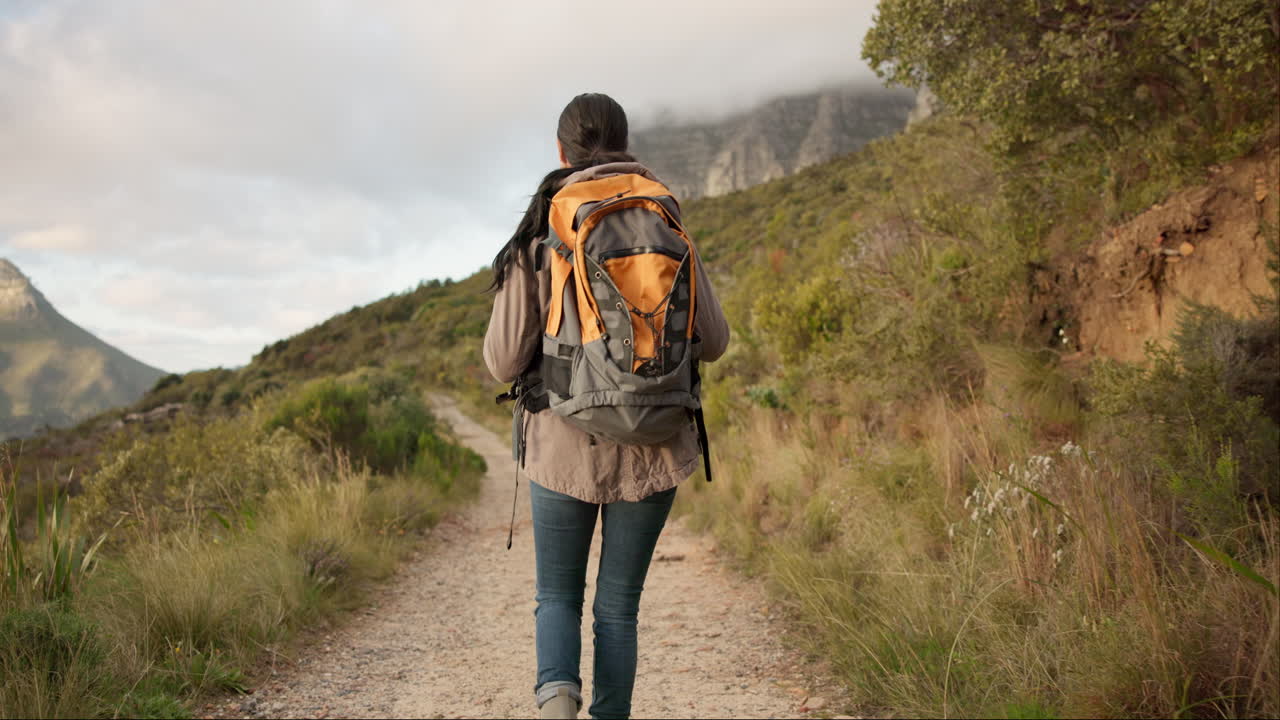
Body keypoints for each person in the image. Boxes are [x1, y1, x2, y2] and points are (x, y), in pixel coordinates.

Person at [482, 92, 731, 720]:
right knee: (619, 607)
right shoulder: (667, 221)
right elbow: (718, 341)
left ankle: (556, 707)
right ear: (624, 142)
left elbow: (504, 361)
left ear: (561, 152)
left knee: (557, 598)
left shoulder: (546, 231)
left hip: (564, 443)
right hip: (657, 442)